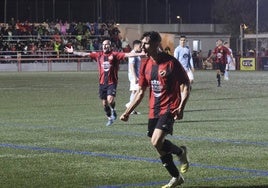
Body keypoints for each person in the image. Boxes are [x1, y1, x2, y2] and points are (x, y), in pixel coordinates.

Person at [120, 31, 190, 188]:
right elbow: (140, 92)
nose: (143, 46)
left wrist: (181, 107)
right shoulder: (145, 64)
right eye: (143, 43)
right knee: (158, 145)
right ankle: (177, 172)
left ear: (156, 44)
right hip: (154, 109)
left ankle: (179, 155)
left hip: (169, 107)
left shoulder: (171, 62)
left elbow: (185, 85)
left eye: (146, 43)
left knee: (156, 141)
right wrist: (127, 112)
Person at [65, 39, 144, 126]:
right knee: (104, 103)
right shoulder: (98, 55)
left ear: (110, 46)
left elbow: (128, 54)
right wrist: (73, 52)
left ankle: (113, 109)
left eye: (107, 44)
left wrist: (141, 54)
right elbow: (85, 54)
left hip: (112, 82)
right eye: (103, 45)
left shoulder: (115, 55)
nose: (105, 46)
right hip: (102, 83)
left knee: (110, 100)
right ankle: (110, 117)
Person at [125, 40, 142, 115]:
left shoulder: (137, 54)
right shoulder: (132, 54)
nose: (141, 47)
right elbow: (131, 66)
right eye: (140, 46)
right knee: (136, 91)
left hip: (136, 75)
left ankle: (130, 107)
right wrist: (135, 77)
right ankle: (130, 106)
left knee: (135, 91)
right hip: (133, 75)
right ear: (136, 46)